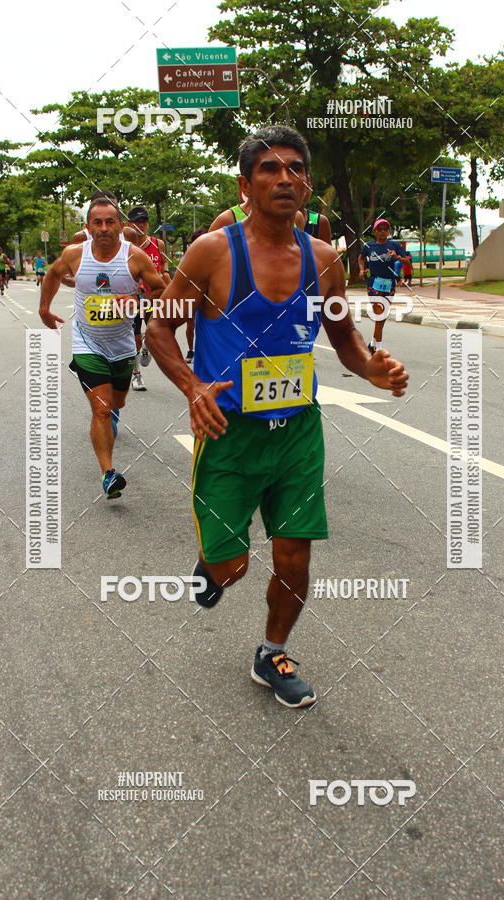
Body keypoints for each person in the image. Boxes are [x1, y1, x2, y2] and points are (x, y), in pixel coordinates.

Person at [146, 125, 408, 708]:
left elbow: (344, 339)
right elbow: (159, 326)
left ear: (307, 184)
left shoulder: (324, 260)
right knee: (231, 564)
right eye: (269, 168)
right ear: (245, 185)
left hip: (297, 434)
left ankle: (273, 652)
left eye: (295, 168)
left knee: (295, 554)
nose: (284, 177)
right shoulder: (212, 253)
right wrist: (192, 386)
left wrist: (372, 369)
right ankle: (215, 567)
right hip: (228, 432)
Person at [39, 197, 165, 498]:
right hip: (87, 342)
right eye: (98, 222)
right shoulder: (75, 254)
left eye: (110, 222)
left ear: (120, 226)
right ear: (88, 227)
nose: (104, 228)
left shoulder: (134, 257)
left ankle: (112, 413)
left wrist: (137, 300)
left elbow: (161, 288)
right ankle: (108, 473)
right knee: (102, 409)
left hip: (122, 345)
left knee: (116, 403)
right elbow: (53, 274)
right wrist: (44, 309)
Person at [125, 205, 171, 391]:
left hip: (153, 296)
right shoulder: (124, 247)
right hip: (133, 298)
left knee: (154, 333)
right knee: (135, 337)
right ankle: (136, 375)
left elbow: (164, 261)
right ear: (128, 224)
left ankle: (147, 347)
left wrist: (165, 272)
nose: (141, 225)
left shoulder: (157, 244)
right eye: (137, 222)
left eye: (144, 221)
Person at [358, 219, 409, 354]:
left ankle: (372, 343)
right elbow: (361, 257)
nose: (382, 231)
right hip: (374, 283)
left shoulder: (394, 245)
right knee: (379, 314)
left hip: (389, 284)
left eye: (385, 229)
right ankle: (378, 348)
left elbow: (407, 262)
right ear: (374, 231)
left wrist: (397, 257)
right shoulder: (369, 246)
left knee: (383, 315)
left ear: (389, 231)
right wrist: (361, 269)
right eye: (379, 229)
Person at [184, 229, 208, 363]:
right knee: (191, 323)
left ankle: (205, 350)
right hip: (192, 293)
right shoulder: (188, 258)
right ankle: (191, 349)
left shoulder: (215, 255)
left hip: (209, 295)